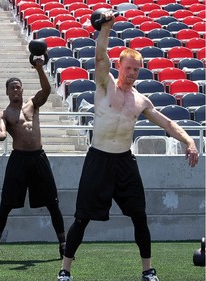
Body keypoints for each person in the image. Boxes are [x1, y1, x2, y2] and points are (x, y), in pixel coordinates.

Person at [57, 10, 199, 281]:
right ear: (118, 66)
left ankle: (148, 271)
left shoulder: (141, 101)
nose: (132, 73)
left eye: (136, 69)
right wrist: (106, 29)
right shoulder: (104, 85)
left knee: (139, 216)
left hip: (124, 161)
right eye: (128, 68)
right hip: (98, 159)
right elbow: (100, 56)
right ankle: (65, 270)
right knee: (82, 218)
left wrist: (189, 141)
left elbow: (168, 123)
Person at [0, 58, 66, 261]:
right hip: (19, 159)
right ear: (7, 92)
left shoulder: (33, 104)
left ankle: (64, 245)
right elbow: (3, 133)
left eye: (18, 87)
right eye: (12, 88)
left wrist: (39, 68)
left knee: (53, 203)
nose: (15, 91)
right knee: (6, 204)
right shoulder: (3, 114)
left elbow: (46, 90)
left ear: (22, 90)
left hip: (38, 157)